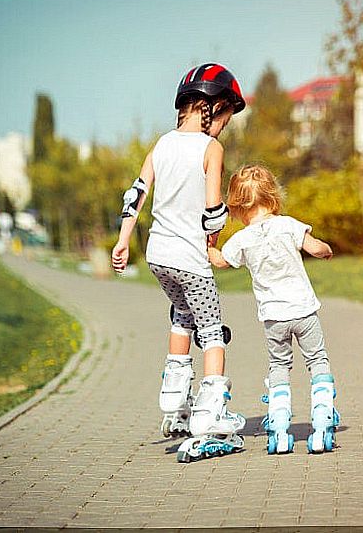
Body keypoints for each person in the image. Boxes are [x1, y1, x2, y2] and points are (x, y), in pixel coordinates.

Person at [111, 63, 246, 462]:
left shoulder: (162, 144)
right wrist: (212, 246)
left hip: (158, 257)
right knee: (212, 330)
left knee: (181, 316)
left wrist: (122, 241)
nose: (225, 127)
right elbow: (214, 211)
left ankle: (174, 396)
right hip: (190, 258)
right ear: (216, 108)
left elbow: (135, 195)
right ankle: (211, 411)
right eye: (227, 118)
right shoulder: (211, 148)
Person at [207, 164, 340, 454]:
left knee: (280, 366)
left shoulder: (241, 239)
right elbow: (316, 248)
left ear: (238, 207)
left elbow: (220, 261)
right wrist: (326, 250)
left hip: (273, 318)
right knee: (317, 360)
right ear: (273, 197)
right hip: (304, 312)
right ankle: (322, 417)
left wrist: (207, 244)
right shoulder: (289, 224)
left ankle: (279, 427)